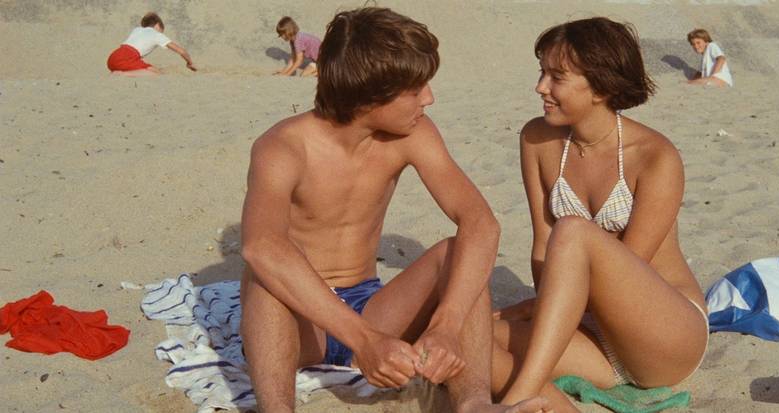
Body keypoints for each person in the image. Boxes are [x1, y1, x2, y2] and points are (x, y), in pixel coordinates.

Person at [240, 7, 550, 413]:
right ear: (370, 95)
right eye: (416, 88)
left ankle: (474, 405)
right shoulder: (283, 148)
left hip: (372, 307)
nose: (429, 98)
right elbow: (260, 247)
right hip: (302, 320)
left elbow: (480, 221)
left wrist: (447, 326)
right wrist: (364, 341)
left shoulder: (412, 133)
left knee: (460, 251)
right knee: (266, 271)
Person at [489, 17, 709, 412]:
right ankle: (553, 403)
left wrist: (535, 310)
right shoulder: (537, 140)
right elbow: (542, 245)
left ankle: (521, 396)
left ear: (602, 86)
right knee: (470, 338)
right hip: (591, 335)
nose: (541, 87)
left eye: (557, 77)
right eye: (542, 72)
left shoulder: (655, 157)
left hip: (665, 337)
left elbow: (630, 265)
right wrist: (540, 308)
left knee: (572, 231)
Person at [106, 12, 196, 76]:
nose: (161, 33)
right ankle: (122, 74)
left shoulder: (137, 29)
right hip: (127, 57)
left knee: (153, 69)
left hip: (113, 57)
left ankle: (119, 72)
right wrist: (190, 63)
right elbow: (182, 51)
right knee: (156, 74)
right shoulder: (157, 35)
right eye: (162, 30)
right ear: (157, 25)